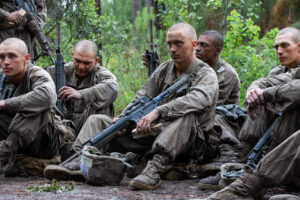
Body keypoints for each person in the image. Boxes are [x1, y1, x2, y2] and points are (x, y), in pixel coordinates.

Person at [44, 22, 219, 190]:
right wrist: (125, 117)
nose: (172, 49)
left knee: (186, 116)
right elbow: (143, 96)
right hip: (156, 133)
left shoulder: (206, 74)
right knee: (99, 121)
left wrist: (158, 112)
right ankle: (80, 158)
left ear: (194, 44)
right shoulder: (165, 69)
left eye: (178, 44)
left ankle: (154, 170)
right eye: (170, 44)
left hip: (191, 142)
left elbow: (198, 99)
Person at [198, 26, 300, 190]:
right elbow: (261, 83)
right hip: (275, 134)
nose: (279, 51)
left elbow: (295, 89)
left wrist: (266, 94)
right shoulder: (278, 71)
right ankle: (242, 160)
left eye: (285, 45)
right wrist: (254, 91)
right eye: (276, 47)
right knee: (257, 99)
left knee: (271, 99)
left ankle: (261, 171)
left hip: (294, 140)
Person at [0, 38, 60, 175]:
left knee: (35, 106)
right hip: (16, 137)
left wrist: (4, 104)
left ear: (26, 59)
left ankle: (4, 153)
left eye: (12, 56)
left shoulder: (37, 74)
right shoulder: (2, 77)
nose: (6, 62)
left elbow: (47, 96)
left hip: (43, 142)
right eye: (2, 57)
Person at [47, 40, 119, 136]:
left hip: (90, 130)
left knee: (102, 100)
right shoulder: (57, 71)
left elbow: (112, 87)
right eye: (77, 61)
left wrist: (82, 94)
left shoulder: (100, 74)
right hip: (61, 128)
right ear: (73, 55)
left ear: (96, 60)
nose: (81, 67)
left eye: (86, 63)